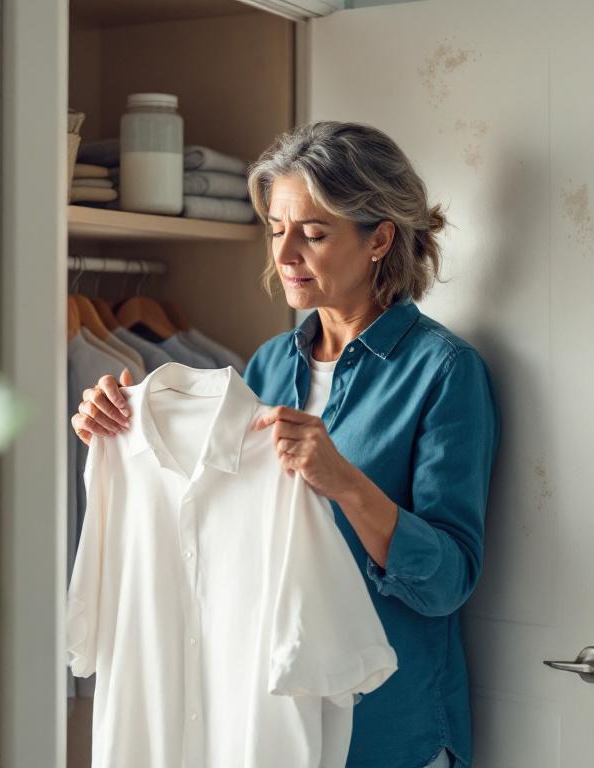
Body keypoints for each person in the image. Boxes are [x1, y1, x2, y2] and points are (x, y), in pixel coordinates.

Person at [71, 121, 500, 768]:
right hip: (272, 728)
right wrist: (108, 427)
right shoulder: (270, 366)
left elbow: (449, 580)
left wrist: (344, 481)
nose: (286, 253)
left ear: (380, 238)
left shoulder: (444, 372)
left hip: (392, 730)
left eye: (314, 232)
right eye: (276, 229)